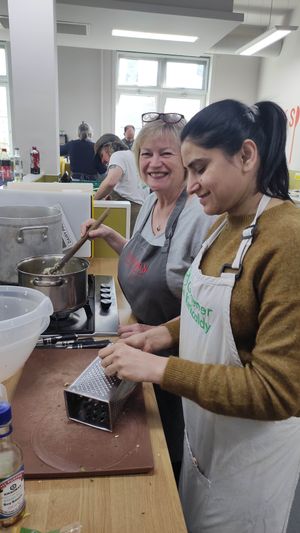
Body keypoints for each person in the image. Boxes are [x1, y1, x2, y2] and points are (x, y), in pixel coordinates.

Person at [97, 100, 300, 533]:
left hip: (250, 459)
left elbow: (279, 392)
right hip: (206, 435)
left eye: (200, 168)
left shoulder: (288, 241)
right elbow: (207, 310)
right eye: (187, 170)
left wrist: (160, 368)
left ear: (246, 156)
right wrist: (162, 335)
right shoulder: (225, 224)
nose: (191, 186)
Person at [81, 112, 215, 482]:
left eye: (166, 153)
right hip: (142, 342)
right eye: (146, 153)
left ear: (186, 158)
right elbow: (141, 257)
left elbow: (211, 310)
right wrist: (110, 235)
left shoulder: (198, 217)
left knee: (171, 449)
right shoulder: (150, 202)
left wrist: (159, 332)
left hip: (179, 357)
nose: (154, 163)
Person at [93, 133, 147, 234]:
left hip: (131, 211)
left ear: (107, 147)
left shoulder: (117, 155)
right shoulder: (131, 155)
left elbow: (110, 182)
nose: (102, 161)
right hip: (141, 209)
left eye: (102, 155)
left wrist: (93, 200)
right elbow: (127, 184)